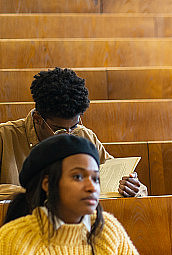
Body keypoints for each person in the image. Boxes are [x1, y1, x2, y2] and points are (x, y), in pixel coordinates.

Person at [0, 135, 162, 255]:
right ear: (47, 184)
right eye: (78, 177)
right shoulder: (12, 236)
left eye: (95, 178)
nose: (91, 187)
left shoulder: (108, 229)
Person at [0, 67, 146, 199]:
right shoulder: (5, 137)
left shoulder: (84, 136)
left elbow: (134, 186)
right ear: (38, 119)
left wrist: (133, 188)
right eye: (59, 129)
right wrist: (40, 192)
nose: (68, 136)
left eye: (74, 127)